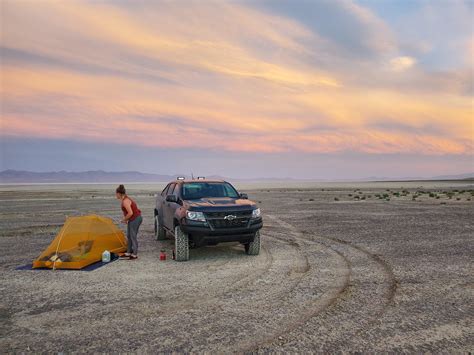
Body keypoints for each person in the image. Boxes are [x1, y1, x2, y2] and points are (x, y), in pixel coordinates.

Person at [115, 184, 142, 260]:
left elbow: (130, 213)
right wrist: (127, 219)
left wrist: (124, 219)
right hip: (132, 219)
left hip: (136, 218)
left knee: (133, 236)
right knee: (129, 235)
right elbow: (129, 213)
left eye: (116, 194)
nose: (116, 195)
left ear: (119, 194)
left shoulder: (125, 201)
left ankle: (134, 254)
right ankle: (128, 252)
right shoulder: (124, 200)